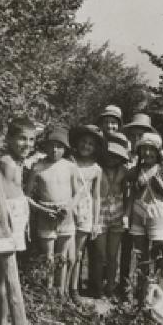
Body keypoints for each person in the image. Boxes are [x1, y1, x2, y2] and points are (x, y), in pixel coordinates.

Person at [0, 116, 36, 325]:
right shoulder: (6, 163)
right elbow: (0, 195)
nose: (27, 144)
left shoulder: (15, 161)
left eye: (31, 140)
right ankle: (3, 319)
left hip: (17, 215)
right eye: (22, 139)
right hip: (9, 216)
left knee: (5, 269)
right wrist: (6, 222)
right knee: (6, 270)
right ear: (9, 139)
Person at [25, 123, 79, 297]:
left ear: (65, 148)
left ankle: (61, 290)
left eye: (60, 146)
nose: (55, 150)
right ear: (45, 146)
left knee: (62, 256)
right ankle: (48, 289)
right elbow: (26, 196)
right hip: (45, 213)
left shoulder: (70, 167)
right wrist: (41, 209)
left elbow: (78, 193)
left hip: (65, 214)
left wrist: (68, 207)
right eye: (52, 146)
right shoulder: (38, 167)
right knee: (48, 255)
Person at [128, 133, 163, 302]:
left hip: (157, 213)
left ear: (158, 152)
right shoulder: (135, 170)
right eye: (144, 149)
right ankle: (141, 292)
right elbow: (130, 193)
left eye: (151, 150)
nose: (148, 153)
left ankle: (159, 292)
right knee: (141, 255)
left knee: (159, 254)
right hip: (138, 212)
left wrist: (162, 188)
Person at [119, 111, 156, 292]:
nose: (135, 138)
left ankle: (144, 285)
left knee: (143, 248)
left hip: (144, 207)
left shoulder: (150, 157)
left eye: (139, 135)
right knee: (125, 246)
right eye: (132, 135)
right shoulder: (122, 154)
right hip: (122, 204)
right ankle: (124, 283)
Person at [91, 135, 129, 298]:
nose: (112, 159)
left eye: (116, 156)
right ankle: (98, 287)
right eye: (109, 155)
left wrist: (126, 214)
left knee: (113, 255)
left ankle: (110, 288)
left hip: (117, 215)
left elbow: (128, 195)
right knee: (100, 255)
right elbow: (93, 194)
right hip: (100, 215)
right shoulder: (97, 169)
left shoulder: (124, 172)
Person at [68, 123, 102, 304]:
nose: (86, 146)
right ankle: (60, 287)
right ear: (77, 142)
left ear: (95, 148)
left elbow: (97, 197)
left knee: (78, 252)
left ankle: (73, 289)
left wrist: (96, 222)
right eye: (83, 142)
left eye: (90, 144)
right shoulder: (69, 161)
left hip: (85, 211)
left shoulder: (96, 169)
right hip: (68, 209)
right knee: (64, 249)